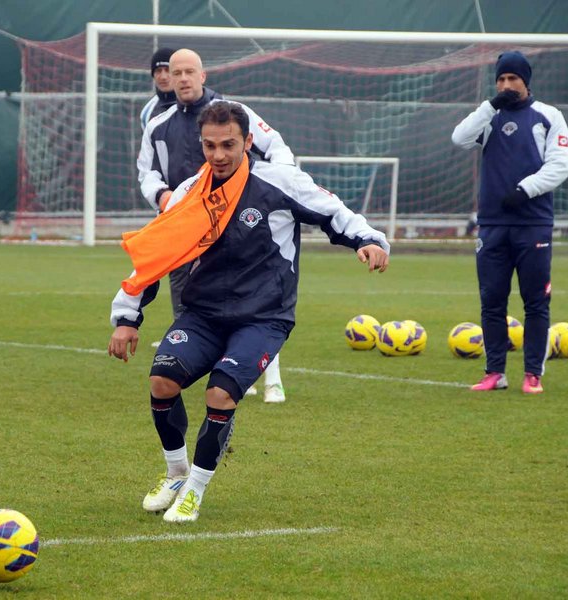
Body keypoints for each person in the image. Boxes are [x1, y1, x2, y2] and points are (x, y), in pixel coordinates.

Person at [110, 101, 390, 522]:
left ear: (248, 142)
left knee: (219, 394)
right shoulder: (189, 193)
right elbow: (155, 255)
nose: (218, 154)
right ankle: (176, 474)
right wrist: (127, 318)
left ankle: (195, 490)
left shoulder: (279, 180)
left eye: (228, 145)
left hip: (263, 317)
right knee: (162, 381)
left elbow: (334, 212)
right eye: (210, 146)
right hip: (203, 315)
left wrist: (368, 240)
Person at [137, 47, 294, 403]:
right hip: (184, 230)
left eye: (189, 72)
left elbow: (277, 147)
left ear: (203, 75)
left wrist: (279, 188)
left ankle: (272, 379)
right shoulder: (157, 123)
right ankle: (219, 369)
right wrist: (162, 196)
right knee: (190, 303)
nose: (182, 79)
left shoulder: (233, 113)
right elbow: (146, 171)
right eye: (176, 73)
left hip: (239, 226)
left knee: (255, 301)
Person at [451, 50, 568, 393]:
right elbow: (459, 138)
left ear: (526, 81)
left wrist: (525, 189)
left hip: (533, 224)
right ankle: (495, 372)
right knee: (492, 301)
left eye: (512, 78)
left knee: (535, 302)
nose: (506, 84)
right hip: (492, 225)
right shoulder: (489, 116)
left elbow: (561, 163)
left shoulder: (548, 116)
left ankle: (533, 373)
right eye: (501, 79)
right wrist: (490, 105)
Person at [139, 48, 177, 132]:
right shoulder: (147, 112)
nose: (163, 77)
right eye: (158, 71)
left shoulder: (193, 104)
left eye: (168, 70)